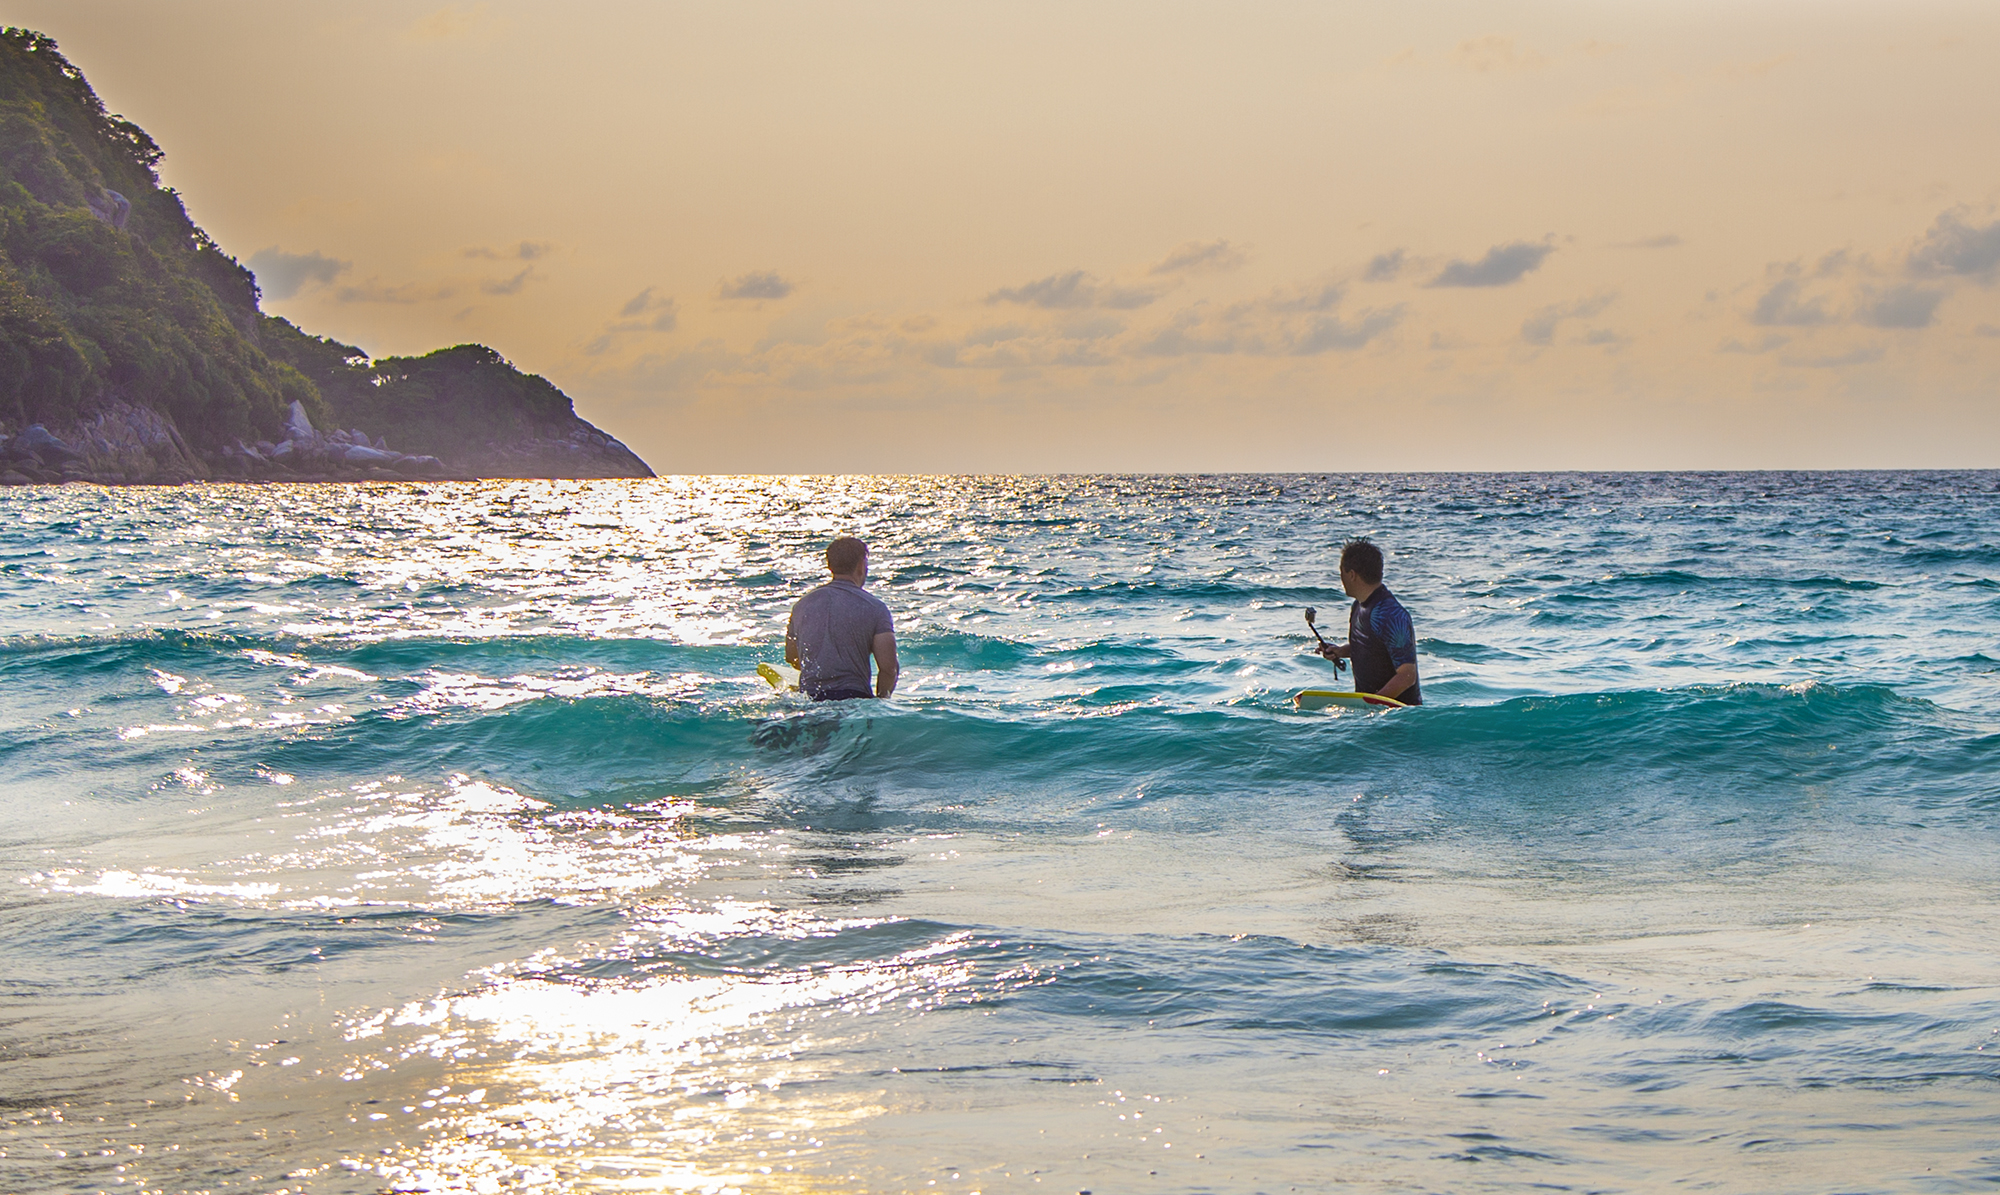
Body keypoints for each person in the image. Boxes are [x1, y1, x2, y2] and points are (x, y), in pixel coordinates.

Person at [785, 536, 899, 701]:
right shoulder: (875, 607)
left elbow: (792, 656)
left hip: (810, 698)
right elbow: (889, 668)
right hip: (853, 700)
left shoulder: (802, 605)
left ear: (830, 566)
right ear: (861, 565)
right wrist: (882, 700)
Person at [1316, 538, 1421, 705]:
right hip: (1373, 714)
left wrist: (1371, 705)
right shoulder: (1359, 605)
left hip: (1399, 715)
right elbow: (1374, 648)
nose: (1340, 579)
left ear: (1351, 575)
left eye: (1341, 572)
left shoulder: (1390, 614)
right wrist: (1340, 651)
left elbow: (1407, 675)